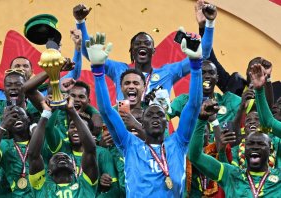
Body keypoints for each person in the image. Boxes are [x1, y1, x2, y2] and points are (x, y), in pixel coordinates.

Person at [90, 32, 203, 197]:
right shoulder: (129, 144)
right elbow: (106, 110)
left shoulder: (178, 142)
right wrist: (98, 71)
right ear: (142, 121)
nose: (156, 117)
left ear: (167, 123)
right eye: (150, 115)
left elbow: (194, 105)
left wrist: (196, 65)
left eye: (160, 115)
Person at [73, 2, 216, 100]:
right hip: (125, 138)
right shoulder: (119, 70)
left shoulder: (167, 73)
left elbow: (202, 55)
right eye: (137, 44)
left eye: (147, 43)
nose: (142, 45)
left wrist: (208, 24)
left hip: (156, 139)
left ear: (153, 51)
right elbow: (90, 54)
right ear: (132, 51)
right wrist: (80, 22)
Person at [0, 28, 82, 100]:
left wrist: (78, 47)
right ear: (9, 71)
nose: (21, 69)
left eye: (25, 66)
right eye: (17, 66)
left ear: (32, 72)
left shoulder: (45, 89)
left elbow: (74, 75)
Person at [188, 99, 281, 197]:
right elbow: (195, 156)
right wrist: (201, 119)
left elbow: (270, 121)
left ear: (270, 150)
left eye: (261, 144)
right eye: (250, 144)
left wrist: (260, 91)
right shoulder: (229, 174)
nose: (255, 147)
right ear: (244, 149)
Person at [28, 97, 99, 197]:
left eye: (66, 157)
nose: (62, 157)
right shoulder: (41, 186)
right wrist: (45, 114)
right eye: (55, 158)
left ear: (74, 169)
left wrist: (72, 111)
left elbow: (90, 150)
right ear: (48, 171)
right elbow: (33, 155)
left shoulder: (85, 185)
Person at [169, 60, 241, 140]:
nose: (207, 76)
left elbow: (254, 115)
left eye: (211, 73)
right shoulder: (183, 101)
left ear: (217, 78)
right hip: (192, 152)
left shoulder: (229, 100)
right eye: (202, 73)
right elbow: (160, 116)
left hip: (221, 151)